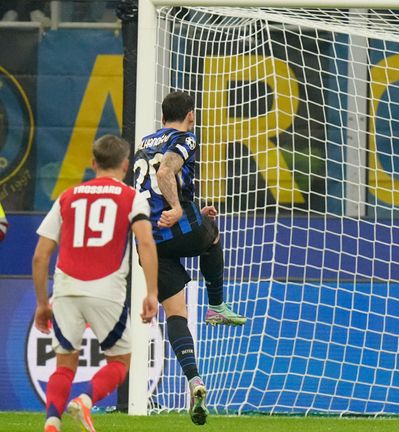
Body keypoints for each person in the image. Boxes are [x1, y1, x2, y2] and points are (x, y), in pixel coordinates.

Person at [32, 135, 158, 432]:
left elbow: (40, 257)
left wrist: (41, 303)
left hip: (66, 289)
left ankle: (52, 422)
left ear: (93, 163)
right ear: (126, 165)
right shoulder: (131, 197)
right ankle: (86, 400)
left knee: (64, 365)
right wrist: (151, 292)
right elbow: (146, 243)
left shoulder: (67, 196)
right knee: (120, 361)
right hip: (107, 289)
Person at [134, 90, 246, 425]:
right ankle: (217, 306)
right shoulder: (186, 137)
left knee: (176, 313)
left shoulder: (144, 142)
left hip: (148, 243)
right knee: (211, 233)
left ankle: (194, 379)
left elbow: (151, 188)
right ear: (191, 115)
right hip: (175, 226)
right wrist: (181, 209)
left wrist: (191, 207)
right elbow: (165, 174)